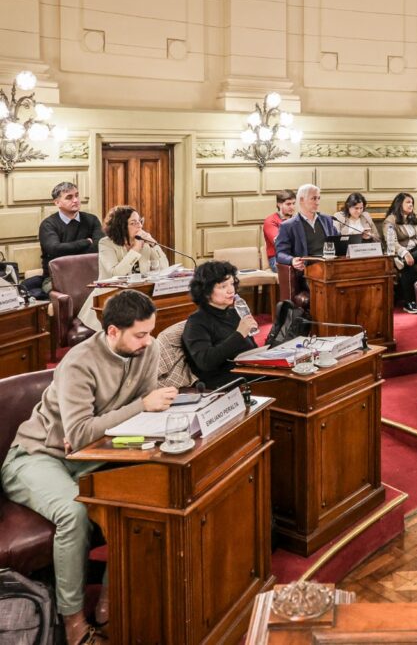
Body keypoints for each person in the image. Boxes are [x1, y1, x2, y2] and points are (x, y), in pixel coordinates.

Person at [1, 290, 177, 645]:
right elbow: (82, 432)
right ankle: (73, 619)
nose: (149, 342)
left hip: (91, 454)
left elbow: (98, 431)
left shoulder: (148, 349)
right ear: (112, 331)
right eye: (140, 335)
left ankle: (112, 595)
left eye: (150, 332)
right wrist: (140, 406)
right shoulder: (79, 362)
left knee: (142, 496)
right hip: (37, 455)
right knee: (74, 512)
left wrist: (116, 422)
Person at [78, 205, 170, 332]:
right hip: (108, 300)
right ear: (121, 226)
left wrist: (154, 245)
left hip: (136, 298)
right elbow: (115, 274)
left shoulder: (144, 243)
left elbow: (164, 268)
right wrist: (135, 249)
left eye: (140, 221)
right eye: (133, 223)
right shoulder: (106, 243)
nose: (139, 226)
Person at [182, 261, 259, 388]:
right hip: (222, 381)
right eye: (223, 286)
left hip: (248, 371)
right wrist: (239, 334)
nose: (231, 290)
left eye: (232, 284)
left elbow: (251, 348)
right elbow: (205, 362)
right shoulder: (196, 322)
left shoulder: (234, 313)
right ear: (206, 291)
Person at [37, 181, 105, 294]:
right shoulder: (48, 225)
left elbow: (100, 246)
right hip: (58, 277)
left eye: (77, 195)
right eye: (69, 197)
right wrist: (86, 242)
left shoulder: (91, 219)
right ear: (57, 202)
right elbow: (55, 250)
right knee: (75, 293)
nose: (76, 200)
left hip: (91, 275)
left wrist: (67, 250)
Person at [275, 183, 338, 273]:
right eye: (314, 198)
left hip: (330, 266)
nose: (317, 202)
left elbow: (338, 242)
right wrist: (292, 260)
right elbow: (280, 254)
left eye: (318, 198)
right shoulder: (288, 226)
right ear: (301, 200)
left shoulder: (327, 220)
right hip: (307, 270)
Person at [384, 192, 417, 313]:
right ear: (399, 204)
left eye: (412, 202)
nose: (411, 205)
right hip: (401, 251)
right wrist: (405, 253)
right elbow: (392, 242)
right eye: (408, 202)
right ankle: (409, 302)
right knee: (408, 265)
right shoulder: (390, 220)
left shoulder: (414, 218)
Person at [262, 189, 296, 272]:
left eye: (294, 203)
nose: (292, 207)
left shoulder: (296, 219)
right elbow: (280, 243)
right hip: (277, 259)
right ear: (279, 204)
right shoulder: (270, 221)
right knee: (300, 269)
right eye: (288, 204)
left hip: (295, 256)